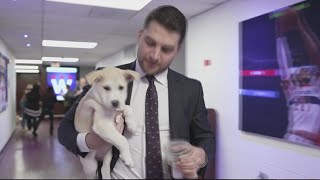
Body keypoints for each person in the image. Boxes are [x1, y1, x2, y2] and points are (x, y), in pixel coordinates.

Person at [58, 5, 215, 179]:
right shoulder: (107, 76)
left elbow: (205, 136)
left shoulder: (191, 89)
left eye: (166, 49)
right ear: (140, 36)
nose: (155, 55)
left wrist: (201, 155)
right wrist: (91, 141)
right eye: (150, 42)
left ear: (177, 50)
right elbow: (65, 130)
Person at [276, 7, 320, 146]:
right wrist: (280, 34)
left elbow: (315, 55)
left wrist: (301, 24)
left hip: (310, 143)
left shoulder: (317, 83)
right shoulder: (291, 87)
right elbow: (283, 61)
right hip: (291, 138)